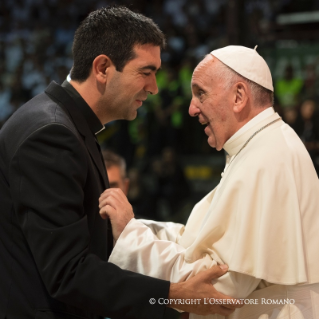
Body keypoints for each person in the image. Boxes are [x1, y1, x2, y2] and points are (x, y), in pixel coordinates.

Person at [0, 8, 242, 319]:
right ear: (102, 67)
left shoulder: (63, 124)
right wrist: (173, 296)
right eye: (145, 72)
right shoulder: (51, 134)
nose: (154, 87)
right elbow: (67, 273)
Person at [100, 45, 319, 318]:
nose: (192, 108)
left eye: (201, 93)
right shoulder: (262, 147)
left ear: (239, 96)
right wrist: (137, 226)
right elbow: (200, 238)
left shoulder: (264, 160)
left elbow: (216, 288)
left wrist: (132, 239)